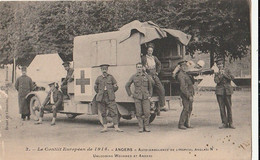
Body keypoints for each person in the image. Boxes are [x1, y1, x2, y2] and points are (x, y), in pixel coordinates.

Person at [94, 64, 123, 133]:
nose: (104, 70)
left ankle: (116, 127)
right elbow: (95, 87)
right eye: (103, 69)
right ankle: (105, 127)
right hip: (101, 97)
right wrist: (100, 93)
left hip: (110, 97)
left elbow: (116, 86)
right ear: (101, 70)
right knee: (103, 112)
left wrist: (111, 92)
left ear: (107, 70)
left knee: (114, 112)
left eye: (105, 69)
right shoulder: (99, 78)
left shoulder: (111, 77)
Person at [125, 63, 153, 133]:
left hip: (146, 97)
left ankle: (146, 126)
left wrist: (150, 95)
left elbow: (150, 86)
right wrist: (130, 94)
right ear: (136, 68)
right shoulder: (134, 76)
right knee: (138, 113)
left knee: (147, 112)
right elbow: (127, 85)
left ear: (142, 68)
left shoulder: (146, 76)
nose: (139, 68)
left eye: (140, 67)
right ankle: (140, 127)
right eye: (138, 67)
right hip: (137, 97)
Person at [141, 43, 166, 114]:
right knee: (151, 84)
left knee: (161, 88)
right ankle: (151, 105)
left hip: (154, 74)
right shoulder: (144, 58)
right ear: (147, 51)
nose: (150, 52)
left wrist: (157, 72)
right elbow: (141, 65)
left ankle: (162, 105)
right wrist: (144, 70)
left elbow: (159, 64)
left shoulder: (154, 58)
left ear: (152, 51)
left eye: (151, 51)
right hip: (147, 74)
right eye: (149, 51)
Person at [214, 57, 235, 129]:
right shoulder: (216, 73)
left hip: (228, 91)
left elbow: (232, 78)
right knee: (221, 108)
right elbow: (216, 81)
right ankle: (224, 123)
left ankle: (231, 123)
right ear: (217, 65)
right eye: (218, 64)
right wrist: (220, 75)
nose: (220, 65)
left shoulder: (228, 70)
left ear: (223, 64)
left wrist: (224, 74)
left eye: (221, 64)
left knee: (229, 107)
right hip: (219, 92)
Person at [176, 60, 195, 130]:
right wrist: (189, 96)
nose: (184, 67)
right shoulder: (180, 75)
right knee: (186, 108)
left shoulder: (186, 73)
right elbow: (183, 87)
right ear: (180, 67)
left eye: (185, 66)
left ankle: (187, 123)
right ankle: (181, 124)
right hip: (186, 94)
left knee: (190, 108)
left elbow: (192, 82)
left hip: (190, 93)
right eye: (183, 66)